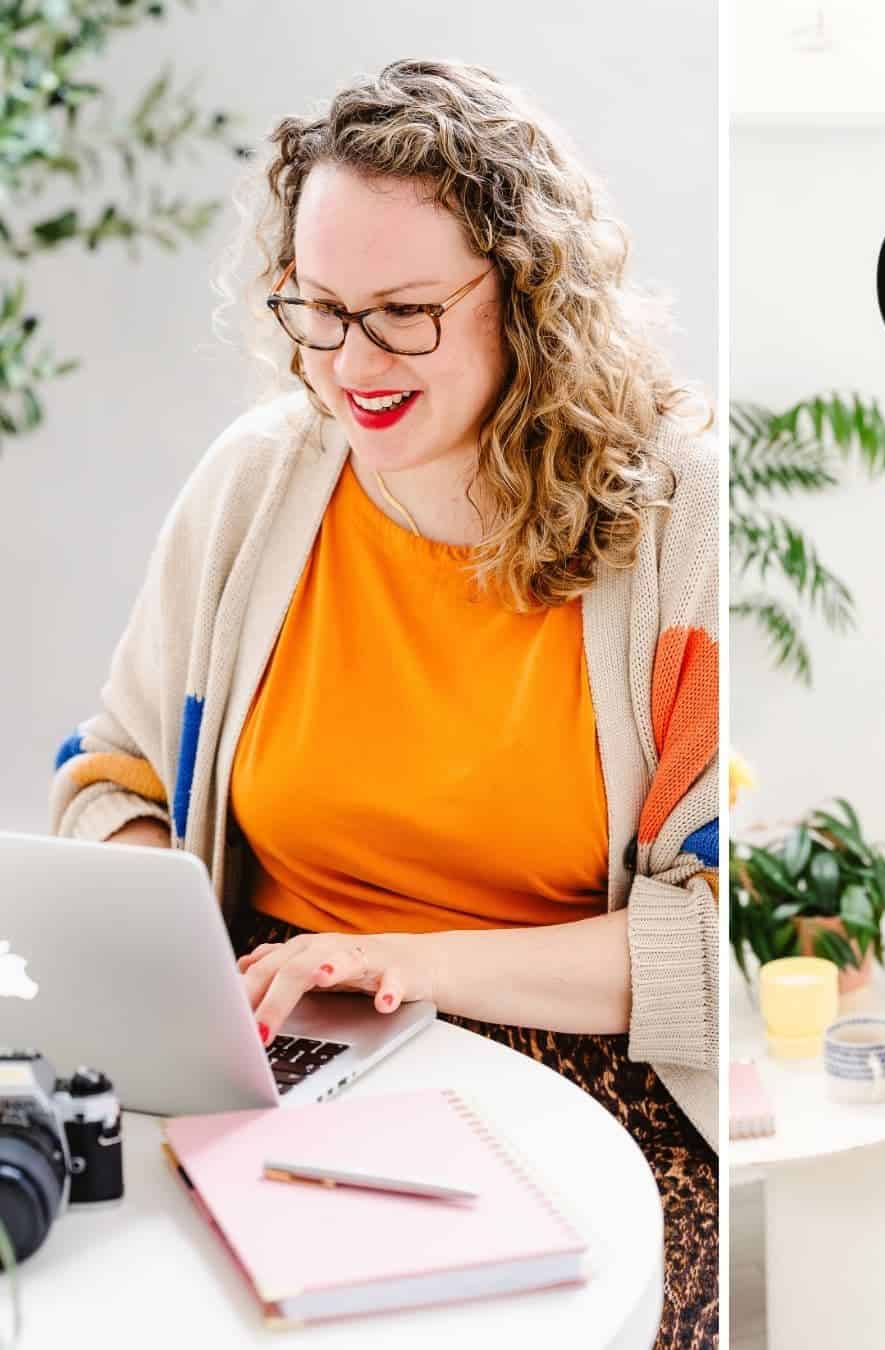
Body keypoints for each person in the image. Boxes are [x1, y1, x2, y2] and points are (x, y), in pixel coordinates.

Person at [47, 61, 720, 1345]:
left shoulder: (678, 517)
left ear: (531, 301)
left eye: (405, 313)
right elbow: (111, 772)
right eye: (318, 308)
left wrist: (401, 965)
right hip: (269, 1047)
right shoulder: (258, 484)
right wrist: (173, 946)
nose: (350, 363)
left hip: (579, 1078)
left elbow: (703, 945)